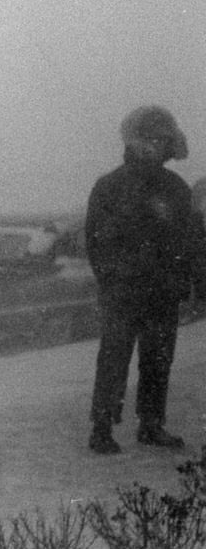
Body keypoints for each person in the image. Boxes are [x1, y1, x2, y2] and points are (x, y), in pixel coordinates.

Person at [85, 106, 206, 454]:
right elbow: (96, 242)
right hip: (133, 292)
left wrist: (196, 281)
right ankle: (115, 427)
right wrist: (112, 279)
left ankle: (135, 425)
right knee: (124, 359)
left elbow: (192, 241)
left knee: (144, 359)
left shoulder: (168, 189)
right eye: (154, 140)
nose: (158, 147)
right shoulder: (118, 187)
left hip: (149, 292)